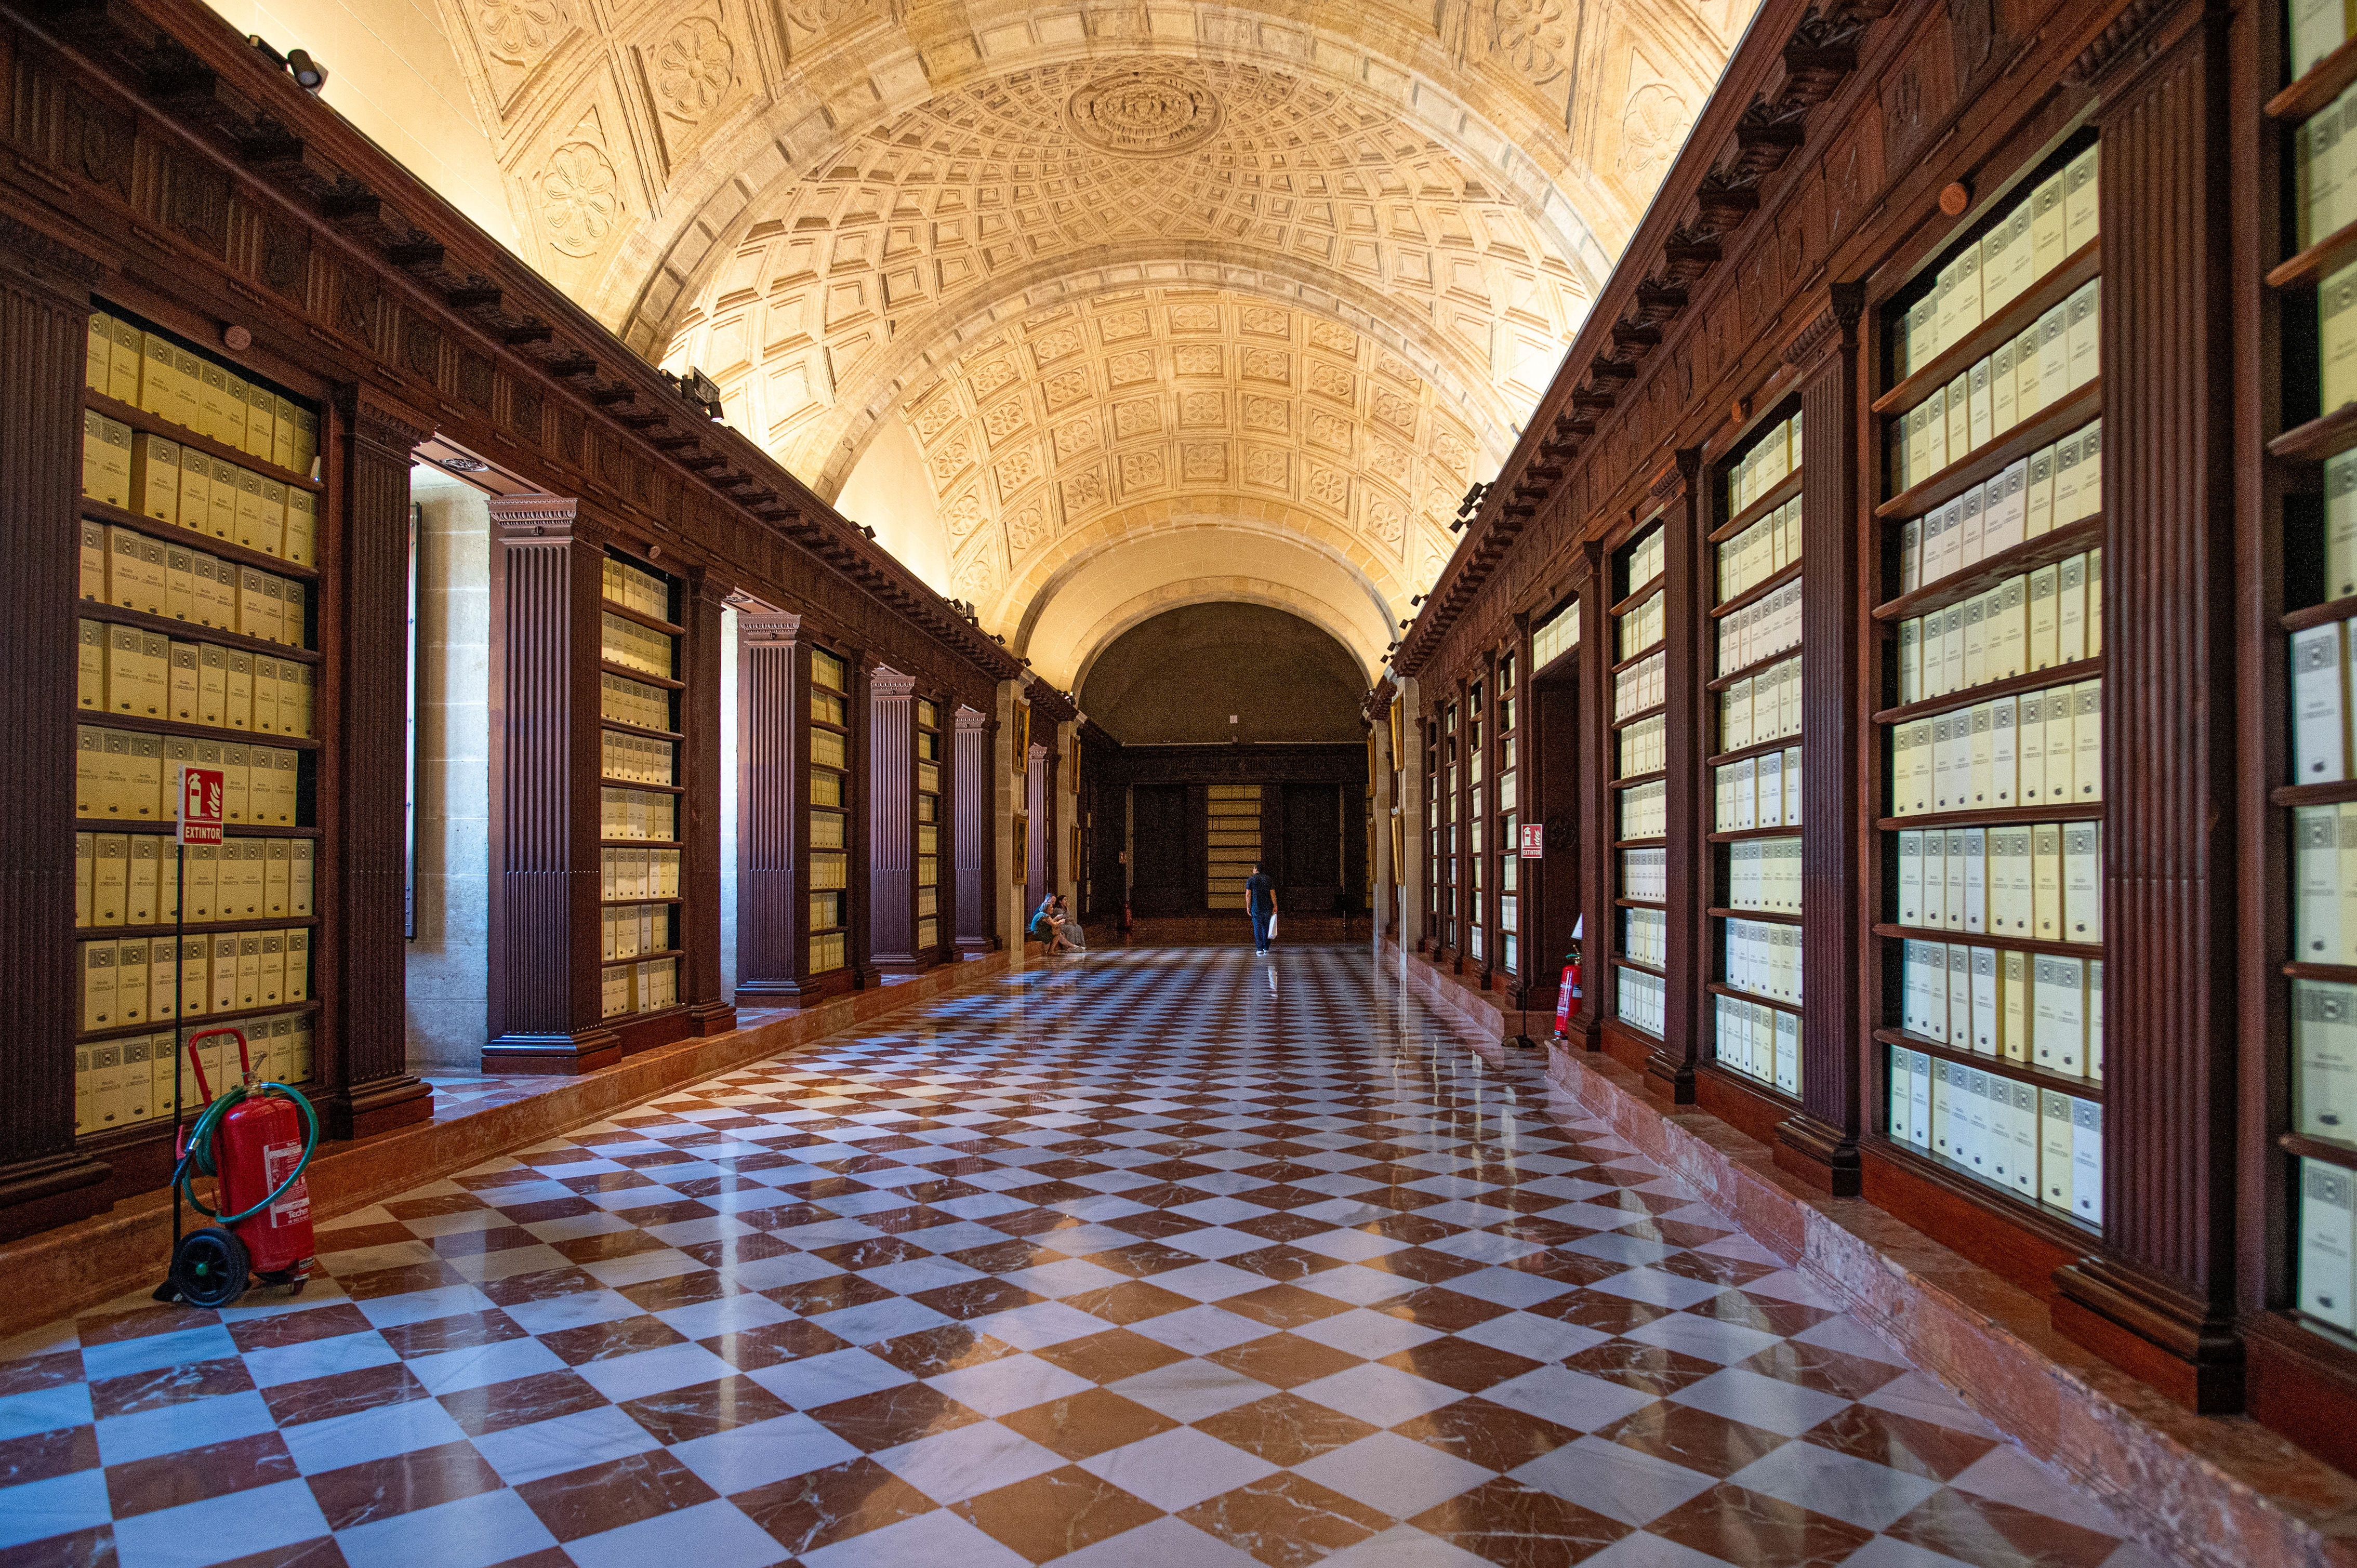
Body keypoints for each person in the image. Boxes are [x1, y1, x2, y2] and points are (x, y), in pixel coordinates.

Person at [1244, 862, 1277, 954]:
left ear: (1255, 869)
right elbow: (1273, 894)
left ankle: (1259, 949)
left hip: (1256, 908)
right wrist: (1275, 905)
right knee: (1266, 927)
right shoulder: (1269, 880)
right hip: (1267, 907)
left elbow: (1248, 895)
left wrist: (1248, 907)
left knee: (1257, 928)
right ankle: (1266, 947)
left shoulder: (1251, 880)